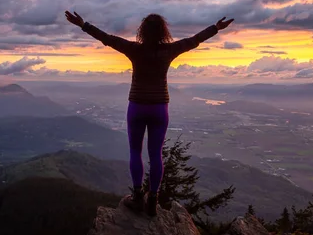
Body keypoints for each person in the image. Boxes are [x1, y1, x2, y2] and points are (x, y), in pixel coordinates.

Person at [66, 11, 234, 216]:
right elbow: (194, 40)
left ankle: (138, 198)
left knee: (135, 152)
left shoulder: (134, 49)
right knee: (156, 156)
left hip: (136, 106)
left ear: (142, 31)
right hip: (159, 108)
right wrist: (215, 28)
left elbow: (107, 39)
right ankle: (153, 200)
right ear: (163, 31)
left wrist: (83, 24)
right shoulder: (170, 50)